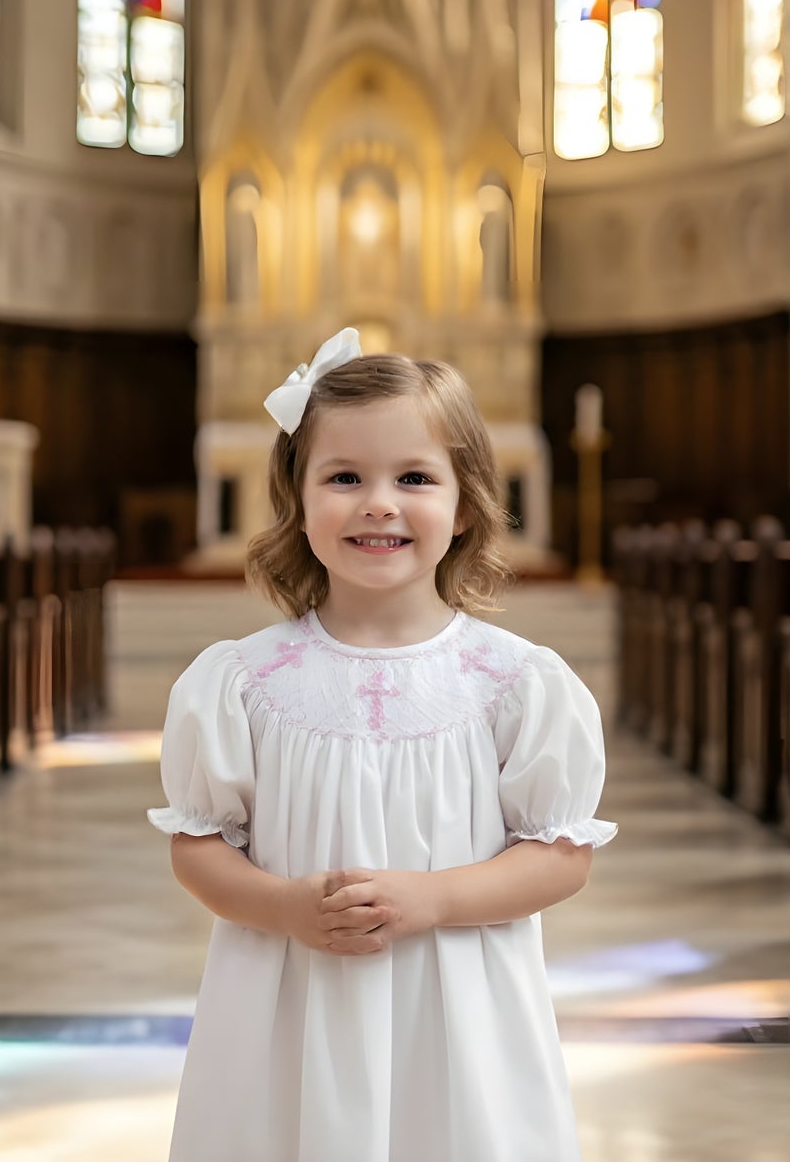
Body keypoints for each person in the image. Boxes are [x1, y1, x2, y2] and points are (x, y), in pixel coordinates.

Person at [148, 328, 616, 1162]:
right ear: (296, 500)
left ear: (465, 503)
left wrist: (432, 898)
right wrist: (283, 906)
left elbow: (559, 855)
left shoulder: (514, 682)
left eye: (413, 477)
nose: (378, 502)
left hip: (455, 1005)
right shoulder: (244, 682)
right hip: (290, 999)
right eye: (343, 477)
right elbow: (197, 845)